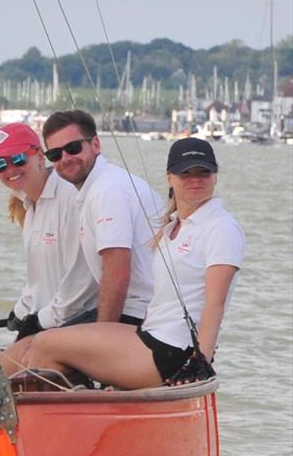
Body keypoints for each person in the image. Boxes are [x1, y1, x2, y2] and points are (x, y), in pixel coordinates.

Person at [20, 137, 245, 389]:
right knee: (42, 342)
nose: (195, 179)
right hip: (149, 335)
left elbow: (216, 303)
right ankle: (87, 410)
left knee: (44, 346)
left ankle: (57, 421)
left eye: (204, 172)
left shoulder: (221, 227)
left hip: (173, 353)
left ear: (215, 175)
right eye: (186, 173)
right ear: (170, 178)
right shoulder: (172, 227)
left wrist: (201, 361)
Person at [38, 109, 164, 325]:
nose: (65, 158)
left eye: (73, 148)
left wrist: (102, 337)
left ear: (95, 145)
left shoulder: (107, 190)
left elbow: (118, 273)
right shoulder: (99, 186)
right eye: (55, 154)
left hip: (145, 315)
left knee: (38, 349)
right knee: (28, 348)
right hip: (136, 310)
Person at [0, 123, 96, 341]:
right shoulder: (28, 206)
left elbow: (84, 278)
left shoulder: (70, 197)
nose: (10, 169)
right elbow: (39, 282)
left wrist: (40, 322)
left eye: (17, 159)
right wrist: (19, 313)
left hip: (77, 324)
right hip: (51, 323)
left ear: (40, 156)